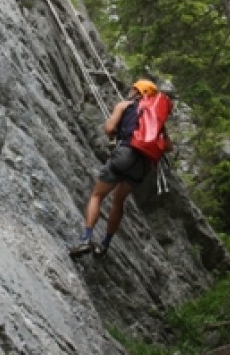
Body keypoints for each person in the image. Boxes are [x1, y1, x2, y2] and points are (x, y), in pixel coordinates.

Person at [70, 79, 172, 258]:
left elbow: (109, 128)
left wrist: (120, 131)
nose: (131, 92)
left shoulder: (125, 105)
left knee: (97, 196)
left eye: (134, 89)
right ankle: (105, 245)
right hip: (143, 165)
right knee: (119, 201)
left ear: (138, 92)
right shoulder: (156, 119)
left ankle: (86, 239)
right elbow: (169, 146)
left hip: (125, 153)